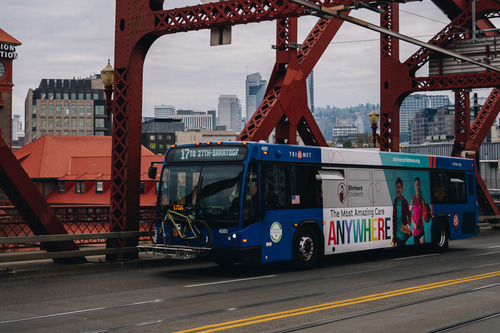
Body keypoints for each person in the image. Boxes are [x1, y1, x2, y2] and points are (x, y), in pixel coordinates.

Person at [392, 177, 411, 246]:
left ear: (402, 189)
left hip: (403, 235)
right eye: (397, 188)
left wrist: (408, 224)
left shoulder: (404, 201)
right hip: (396, 235)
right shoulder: (395, 201)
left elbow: (410, 214)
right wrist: (394, 235)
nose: (398, 189)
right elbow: (394, 220)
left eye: (399, 187)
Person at [410, 177, 426, 244]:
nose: (417, 187)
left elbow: (425, 212)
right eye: (416, 185)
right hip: (415, 231)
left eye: (418, 185)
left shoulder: (422, 200)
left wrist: (427, 215)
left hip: (421, 228)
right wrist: (413, 223)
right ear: (414, 187)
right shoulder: (413, 200)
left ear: (420, 186)